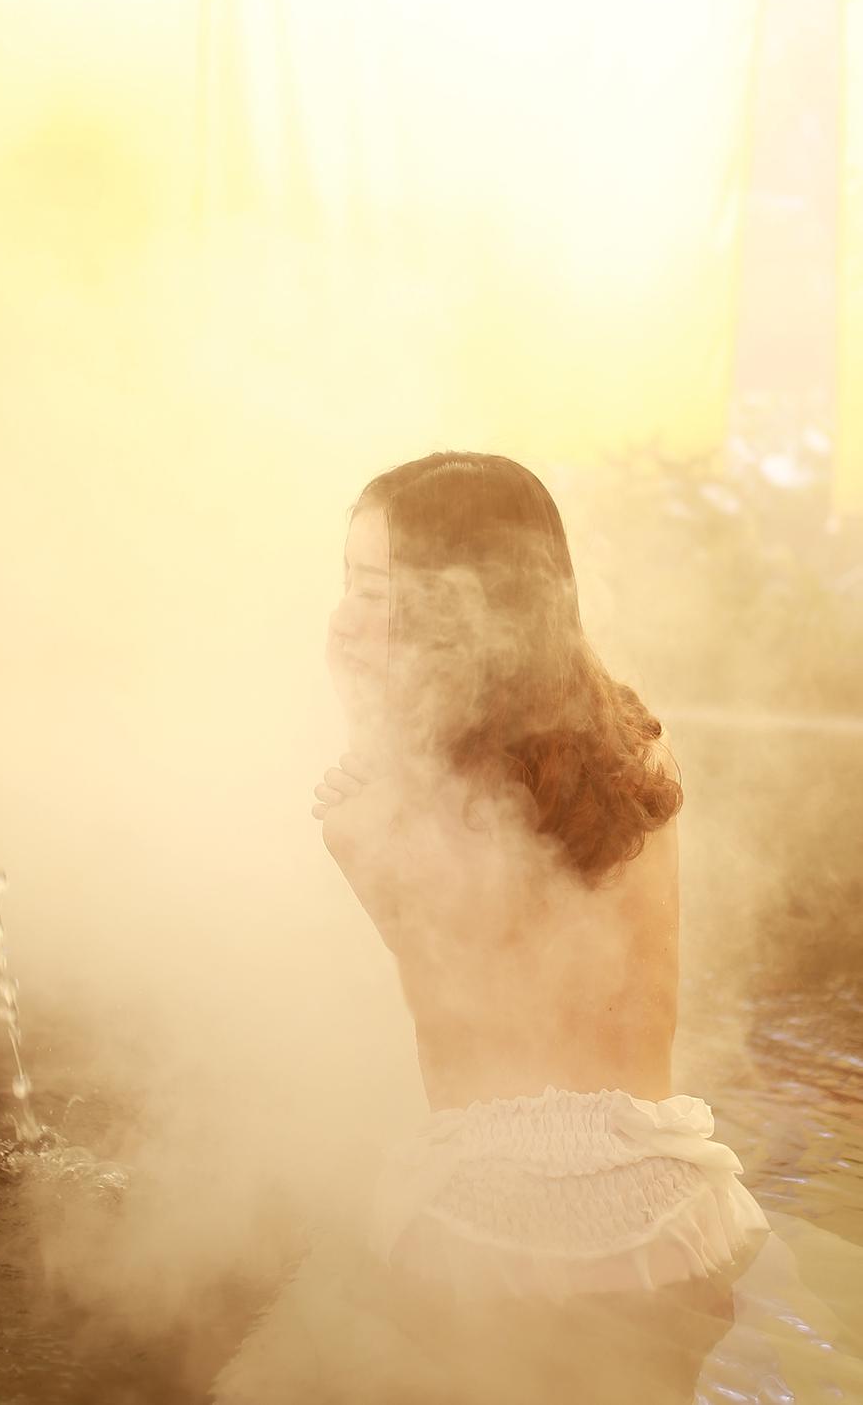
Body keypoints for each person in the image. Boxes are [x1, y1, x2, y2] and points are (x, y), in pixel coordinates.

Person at [310, 451, 769, 1396]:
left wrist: (360, 791)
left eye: (373, 591)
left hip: (491, 1224)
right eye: (347, 584)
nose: (343, 617)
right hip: (672, 1210)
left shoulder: (381, 808)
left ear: (461, 610)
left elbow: (452, 1010)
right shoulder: (639, 749)